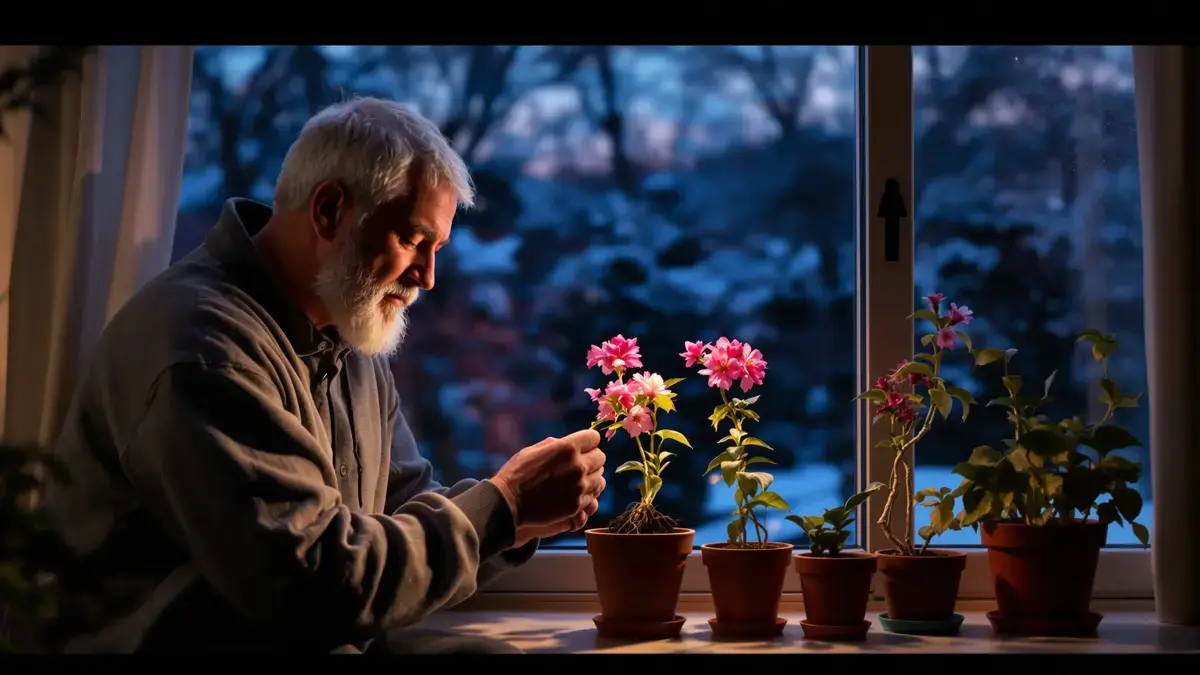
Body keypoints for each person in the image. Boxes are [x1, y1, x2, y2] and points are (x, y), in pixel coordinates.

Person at [43, 97, 607, 654]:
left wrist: (519, 520)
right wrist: (503, 507)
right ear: (330, 211)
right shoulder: (205, 347)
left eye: (436, 248)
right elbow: (315, 586)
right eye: (413, 241)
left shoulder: (345, 332)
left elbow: (400, 513)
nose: (428, 277)